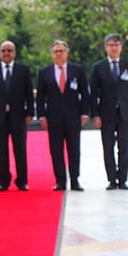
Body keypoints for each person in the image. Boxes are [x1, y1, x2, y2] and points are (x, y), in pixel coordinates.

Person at [0, 41, 34, 191]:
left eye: (9, 50)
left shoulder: (23, 70)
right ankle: (4, 182)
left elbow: (29, 93)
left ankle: (22, 181)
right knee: (2, 151)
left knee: (20, 150)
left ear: (14, 53)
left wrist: (30, 112)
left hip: (18, 116)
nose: (6, 53)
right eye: (3, 50)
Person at [38, 40, 91, 191]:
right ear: (52, 54)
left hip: (73, 117)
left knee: (74, 150)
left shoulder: (77, 70)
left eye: (61, 51)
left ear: (67, 53)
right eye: (56, 51)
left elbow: (85, 94)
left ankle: (75, 180)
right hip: (53, 118)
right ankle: (60, 180)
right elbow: (41, 97)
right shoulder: (45, 72)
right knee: (56, 150)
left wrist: (84, 113)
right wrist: (41, 116)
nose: (59, 54)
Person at [89, 34, 128, 190]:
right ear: (106, 47)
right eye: (111, 45)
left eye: (117, 45)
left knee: (124, 148)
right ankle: (112, 179)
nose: (114, 48)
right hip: (106, 114)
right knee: (108, 147)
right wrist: (95, 115)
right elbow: (93, 94)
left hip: (124, 113)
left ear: (121, 47)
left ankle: (123, 179)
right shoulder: (98, 67)